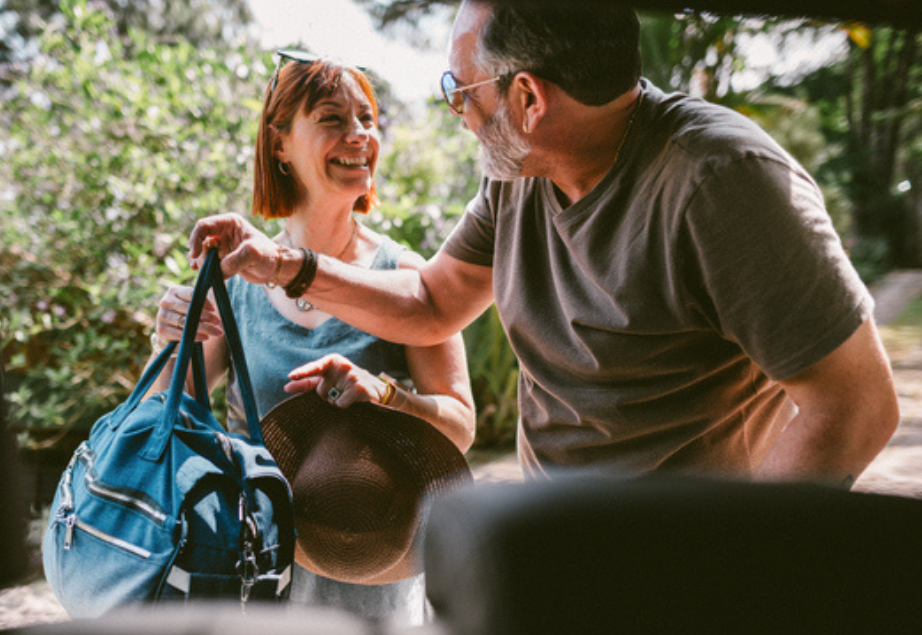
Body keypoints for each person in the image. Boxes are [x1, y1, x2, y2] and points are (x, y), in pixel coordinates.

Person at [188, 1, 899, 488]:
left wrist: (732, 559)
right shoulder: (517, 172)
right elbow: (433, 300)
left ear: (528, 99)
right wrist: (290, 266)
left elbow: (856, 406)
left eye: (459, 89)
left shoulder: (723, 181)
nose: (456, 112)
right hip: (562, 547)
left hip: (684, 563)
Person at [146, 52, 475, 626]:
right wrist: (167, 340)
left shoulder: (405, 278)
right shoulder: (239, 282)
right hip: (256, 568)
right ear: (279, 144)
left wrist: (386, 395)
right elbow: (165, 416)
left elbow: (460, 425)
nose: (360, 136)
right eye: (332, 118)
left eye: (368, 119)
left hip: (372, 570)